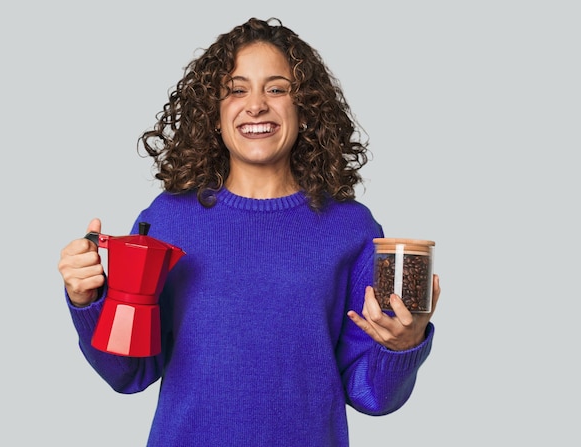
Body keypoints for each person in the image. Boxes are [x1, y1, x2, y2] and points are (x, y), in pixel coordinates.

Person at [58, 17, 441, 447]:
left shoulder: (350, 228)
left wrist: (402, 345)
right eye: (237, 90)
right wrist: (87, 300)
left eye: (276, 89)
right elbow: (128, 372)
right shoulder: (167, 220)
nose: (256, 104)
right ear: (215, 114)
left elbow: (371, 395)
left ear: (305, 109)